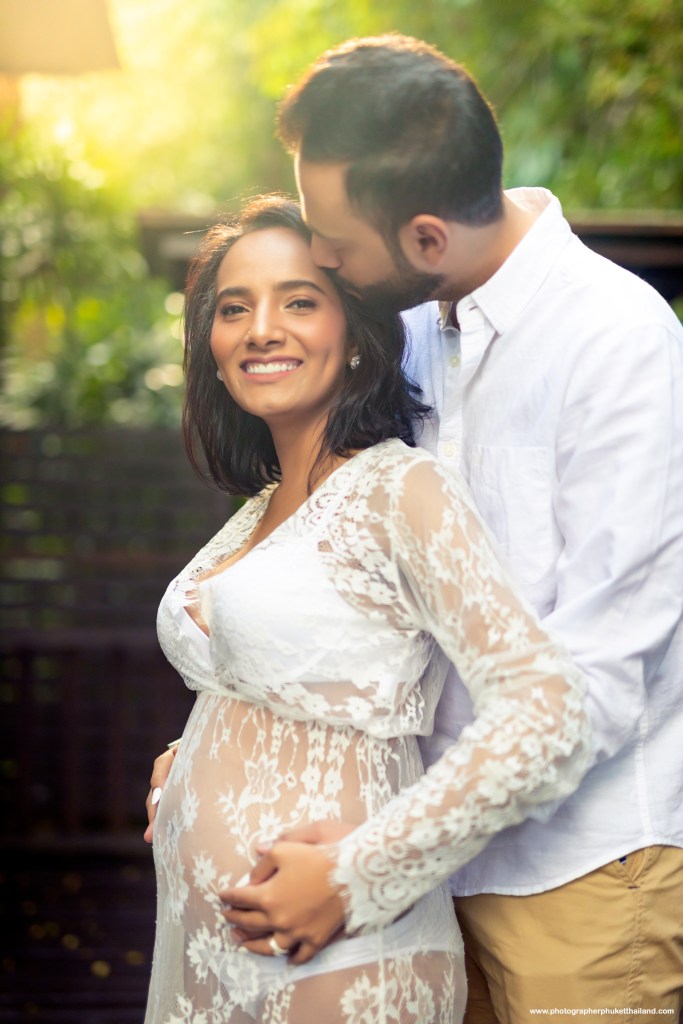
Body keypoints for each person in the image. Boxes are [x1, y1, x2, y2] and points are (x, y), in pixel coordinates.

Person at [177, 34, 683, 1022]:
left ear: (420, 236)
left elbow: (592, 687)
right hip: (413, 881)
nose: (319, 255)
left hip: (576, 878)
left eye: (331, 242)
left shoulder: (620, 350)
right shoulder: (401, 323)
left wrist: (362, 867)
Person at [143, 194, 592, 1024]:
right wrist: (195, 751)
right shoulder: (258, 510)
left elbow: (548, 711)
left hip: (339, 958)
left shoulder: (399, 488)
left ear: (356, 338)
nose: (261, 328)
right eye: (233, 308)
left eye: (298, 301)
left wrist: (361, 873)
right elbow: (309, 674)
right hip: (204, 955)